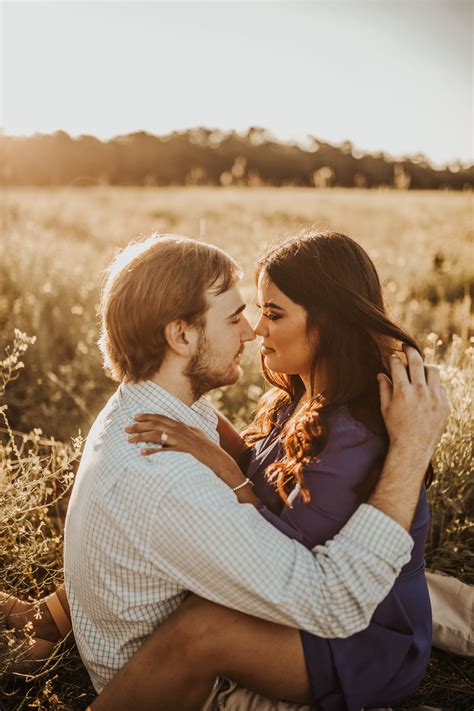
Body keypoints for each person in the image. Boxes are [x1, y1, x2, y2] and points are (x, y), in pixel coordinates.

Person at [3, 233, 447, 705]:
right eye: (241, 315)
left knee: (205, 621)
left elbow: (317, 585)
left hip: (352, 634)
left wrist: (413, 448)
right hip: (306, 597)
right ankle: (44, 620)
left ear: (328, 323)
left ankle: (46, 625)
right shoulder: (293, 398)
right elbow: (255, 486)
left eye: (271, 314)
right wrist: (226, 461)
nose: (254, 330)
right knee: (179, 547)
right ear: (181, 335)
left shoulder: (351, 435)